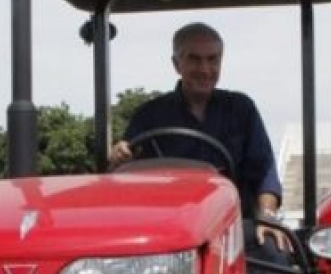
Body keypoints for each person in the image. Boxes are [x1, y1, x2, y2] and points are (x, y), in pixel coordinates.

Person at [110, 22, 288, 249]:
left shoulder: (242, 109)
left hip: (231, 225)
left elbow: (264, 171)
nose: (205, 69)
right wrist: (119, 157)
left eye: (212, 59)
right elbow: (125, 174)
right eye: (194, 59)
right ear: (176, 64)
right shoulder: (149, 115)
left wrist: (267, 215)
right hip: (167, 228)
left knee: (272, 248)